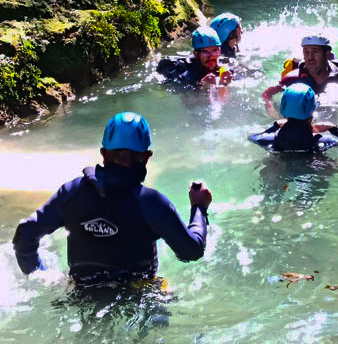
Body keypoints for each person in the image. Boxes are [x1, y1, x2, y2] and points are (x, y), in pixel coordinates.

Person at [11, 111, 212, 280]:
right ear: (147, 157)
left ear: (104, 153)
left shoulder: (71, 193)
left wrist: (44, 276)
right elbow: (191, 251)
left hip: (80, 296)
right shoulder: (151, 202)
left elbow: (24, 235)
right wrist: (199, 208)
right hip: (138, 298)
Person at [250, 83, 338, 152]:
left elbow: (252, 137)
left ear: (283, 108)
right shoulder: (322, 140)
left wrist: (275, 126)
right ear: (312, 109)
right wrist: (334, 129)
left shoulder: (270, 140)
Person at [262, 35, 338, 101]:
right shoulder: (293, 77)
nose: (310, 57)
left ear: (327, 54)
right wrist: (270, 107)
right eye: (306, 52)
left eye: (315, 51)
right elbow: (267, 93)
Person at [156, 26, 233, 87]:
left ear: (219, 51)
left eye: (214, 50)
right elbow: (188, 101)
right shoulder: (187, 72)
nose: (211, 56)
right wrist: (201, 84)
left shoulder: (225, 64)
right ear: (196, 54)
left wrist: (230, 81)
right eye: (205, 51)